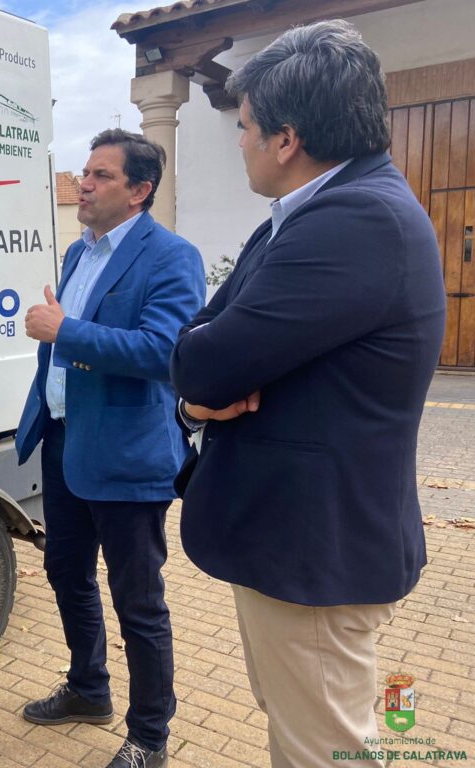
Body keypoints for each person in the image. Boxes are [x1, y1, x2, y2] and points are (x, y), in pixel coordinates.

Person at [170, 20, 446, 768]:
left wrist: (200, 384)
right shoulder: (313, 213)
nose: (239, 141)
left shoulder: (355, 221)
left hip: (315, 554)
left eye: (246, 126)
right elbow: (199, 344)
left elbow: (201, 362)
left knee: (322, 750)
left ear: (286, 139)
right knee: (302, 731)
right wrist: (199, 392)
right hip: (296, 545)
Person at [16, 129, 205, 768]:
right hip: (64, 441)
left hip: (127, 454)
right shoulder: (79, 252)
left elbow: (166, 352)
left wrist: (65, 330)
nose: (84, 184)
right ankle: (88, 688)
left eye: (101, 175)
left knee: (137, 601)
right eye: (84, 172)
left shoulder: (171, 256)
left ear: (139, 190)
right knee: (65, 572)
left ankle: (149, 735)